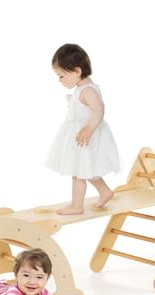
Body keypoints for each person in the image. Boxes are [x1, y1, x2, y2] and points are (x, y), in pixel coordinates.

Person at [46, 43, 120, 215]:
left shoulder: (87, 91)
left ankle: (76, 205)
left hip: (86, 137)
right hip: (81, 138)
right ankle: (104, 191)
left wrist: (89, 128)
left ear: (77, 71)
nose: (60, 81)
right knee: (85, 169)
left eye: (61, 76)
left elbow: (99, 110)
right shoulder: (82, 88)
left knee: (78, 173)